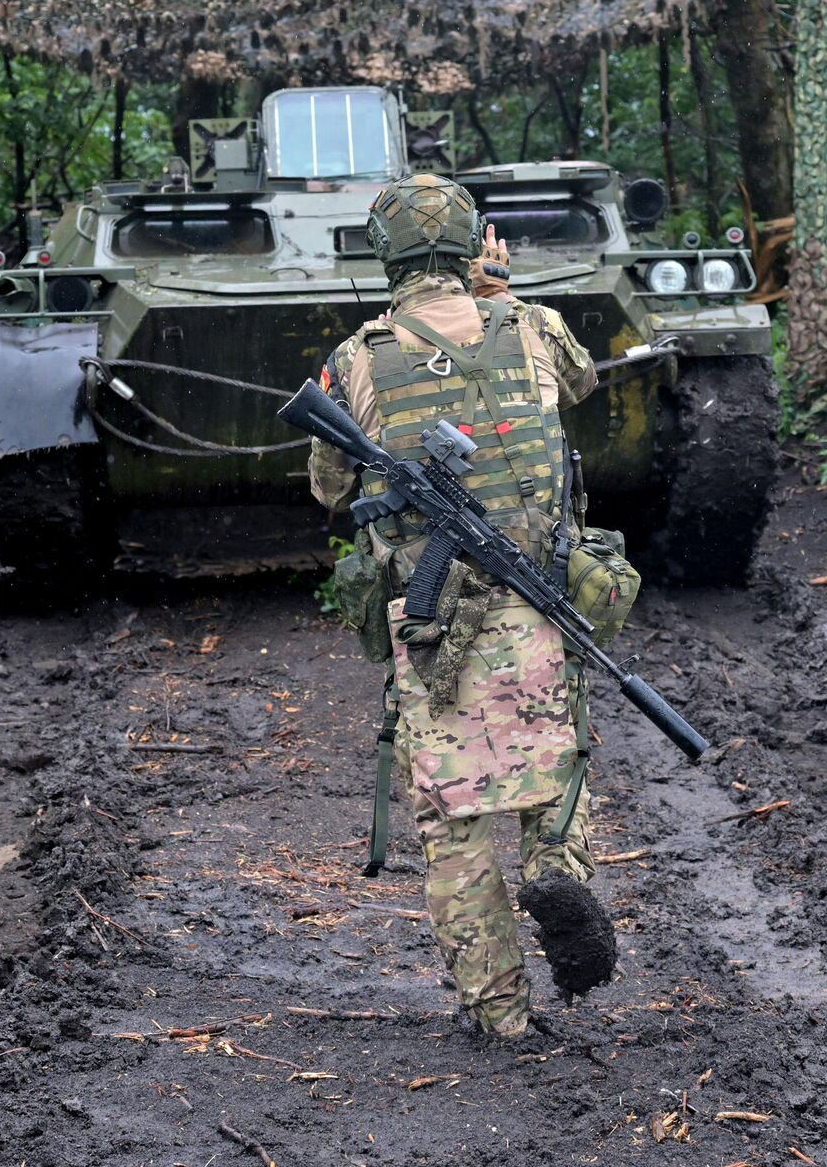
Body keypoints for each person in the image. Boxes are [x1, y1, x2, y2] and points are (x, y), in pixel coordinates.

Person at [307, 173, 623, 1039]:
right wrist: (501, 296)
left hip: (433, 617)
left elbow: (329, 485)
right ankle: (560, 875)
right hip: (538, 600)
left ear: (388, 257)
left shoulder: (359, 358)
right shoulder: (535, 329)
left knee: (454, 825)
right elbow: (582, 384)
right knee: (554, 778)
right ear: (470, 248)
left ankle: (502, 1016)